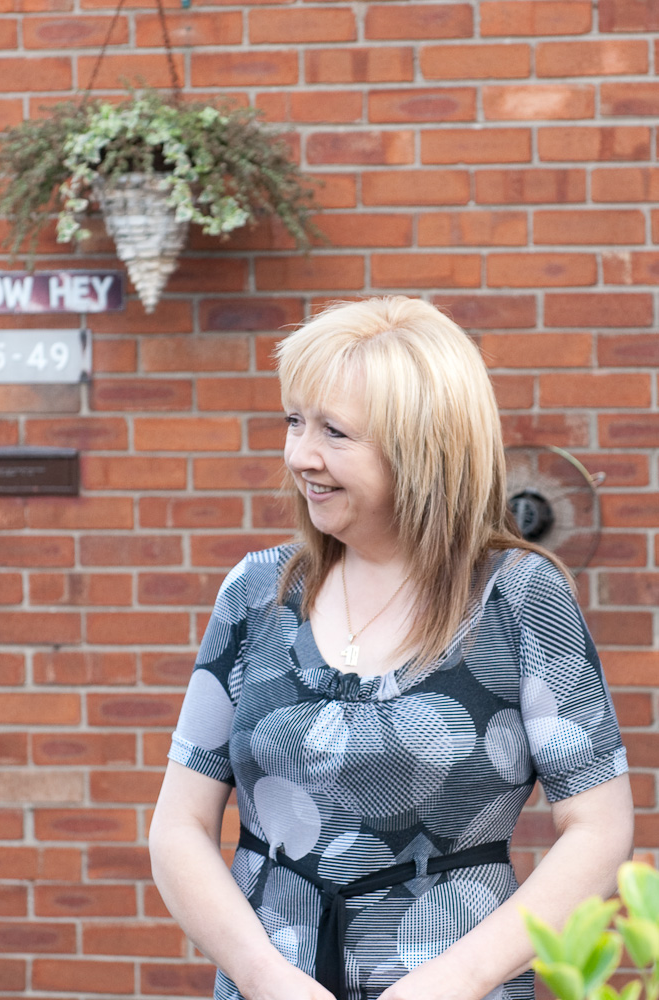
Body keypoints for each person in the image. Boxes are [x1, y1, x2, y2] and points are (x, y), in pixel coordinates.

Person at [149, 296, 633, 1000]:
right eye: (294, 420)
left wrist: (453, 981)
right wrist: (263, 977)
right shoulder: (255, 592)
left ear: (422, 447)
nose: (299, 456)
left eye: (334, 432)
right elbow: (179, 826)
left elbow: (598, 828)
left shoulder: (520, 598)